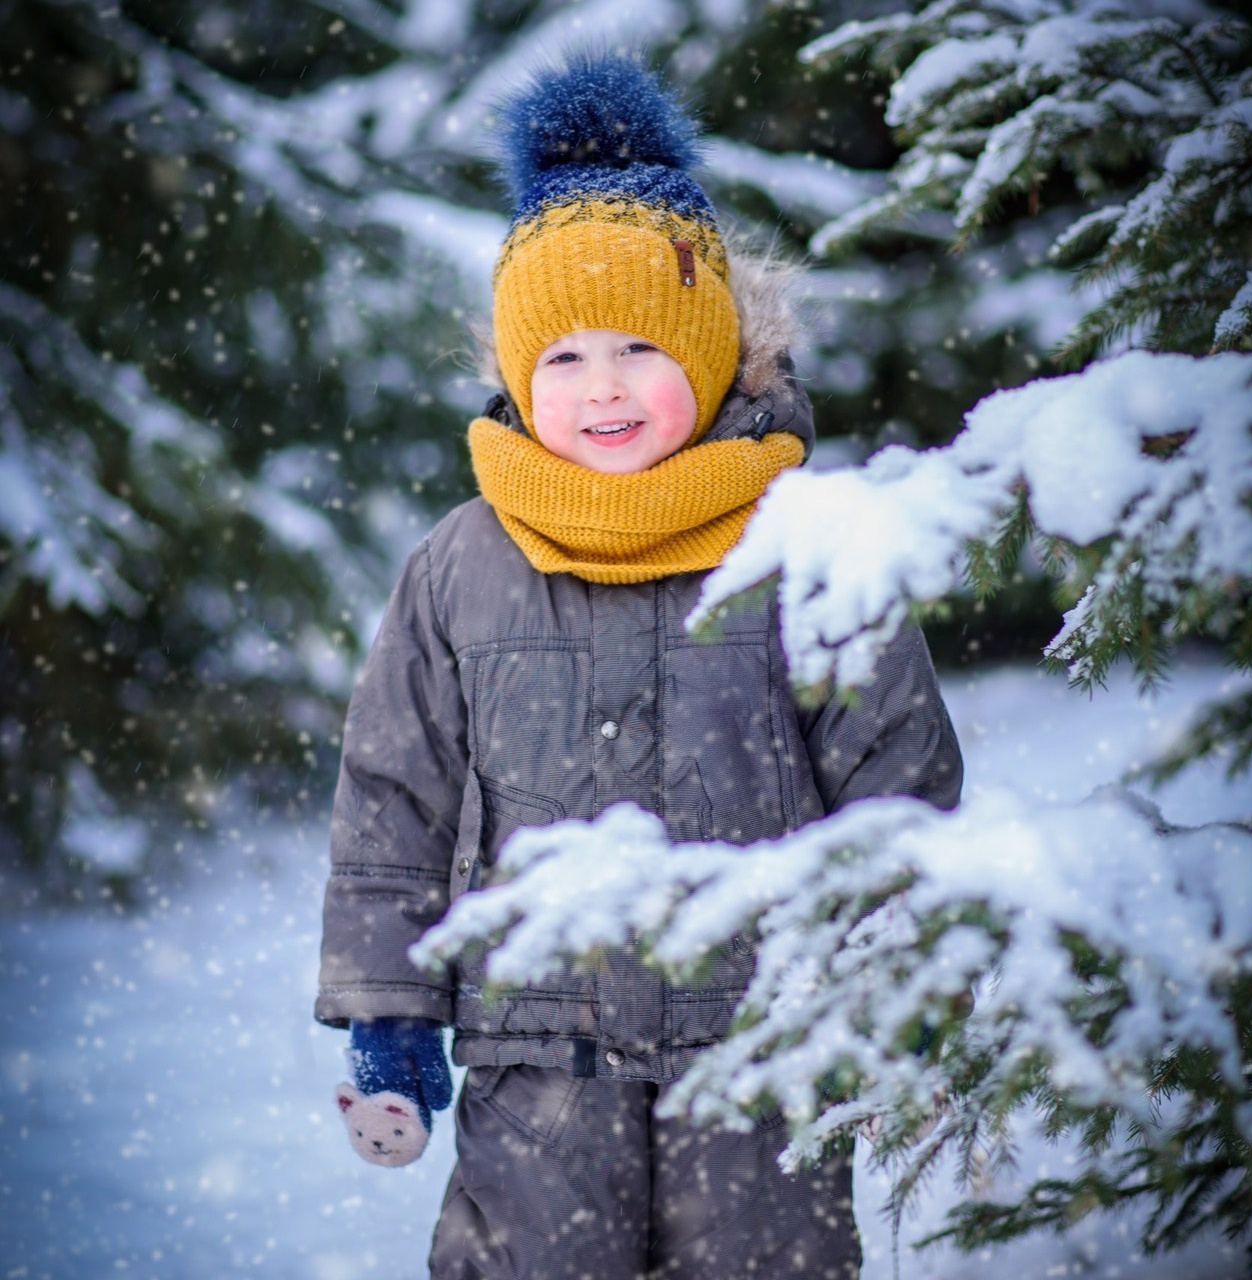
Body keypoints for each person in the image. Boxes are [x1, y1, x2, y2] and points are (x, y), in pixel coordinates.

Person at [315, 51, 962, 1280]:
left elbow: (895, 784)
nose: (601, 386)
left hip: (763, 1054)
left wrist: (902, 988)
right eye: (561, 357)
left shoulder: (800, 542)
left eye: (638, 348)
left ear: (711, 355)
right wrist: (388, 1009)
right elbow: (394, 797)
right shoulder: (461, 563)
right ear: (517, 376)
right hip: (534, 1067)